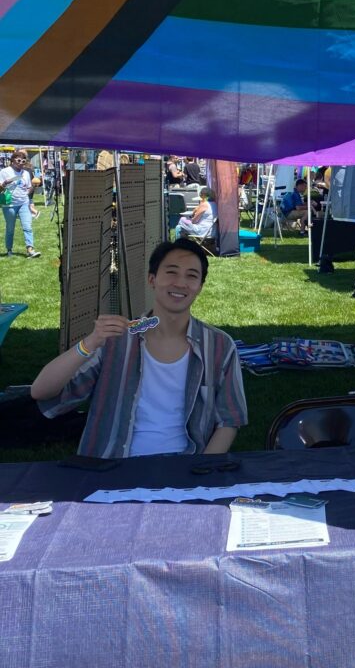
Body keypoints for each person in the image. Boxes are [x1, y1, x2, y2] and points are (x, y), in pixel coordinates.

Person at [31, 239, 247, 458]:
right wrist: (89, 343)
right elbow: (41, 391)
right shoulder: (117, 339)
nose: (181, 283)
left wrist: (201, 468)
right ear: (152, 279)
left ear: (200, 286)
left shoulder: (219, 346)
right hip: (113, 466)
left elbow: (230, 420)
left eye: (192, 276)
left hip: (186, 468)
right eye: (171, 272)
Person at [1, 149, 40, 257]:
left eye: (24, 161)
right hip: (9, 204)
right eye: (19, 160)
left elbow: (27, 189)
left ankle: (30, 249)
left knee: (27, 226)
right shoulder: (4, 172)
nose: (21, 163)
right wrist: (5, 183)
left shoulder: (26, 173)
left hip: (24, 203)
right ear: (13, 160)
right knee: (10, 228)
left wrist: (33, 186)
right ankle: (9, 249)